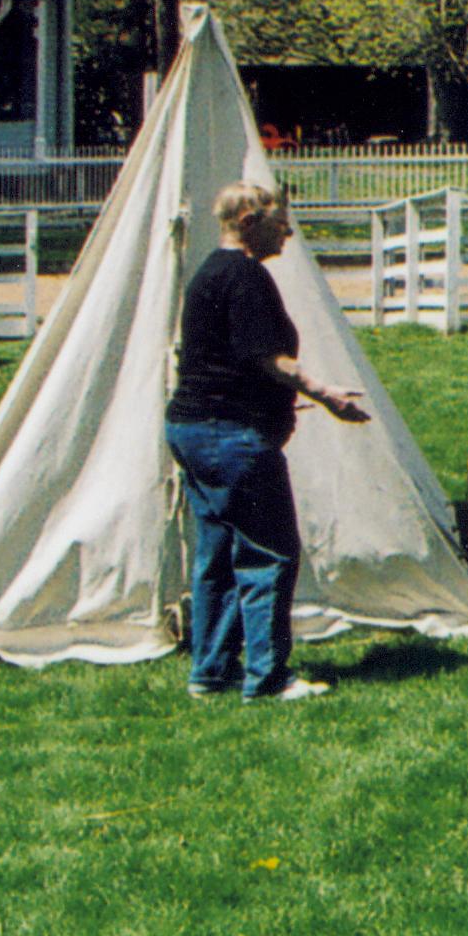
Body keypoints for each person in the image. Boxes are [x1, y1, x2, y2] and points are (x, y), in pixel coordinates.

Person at [164, 180, 369, 699]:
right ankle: (269, 677)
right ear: (251, 220)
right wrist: (325, 394)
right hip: (229, 435)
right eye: (282, 220)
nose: (290, 230)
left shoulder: (209, 272)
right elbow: (265, 357)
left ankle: (210, 672)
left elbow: (221, 359)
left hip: (193, 429)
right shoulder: (246, 276)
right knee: (269, 552)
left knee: (217, 553)